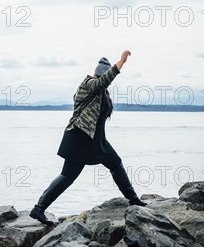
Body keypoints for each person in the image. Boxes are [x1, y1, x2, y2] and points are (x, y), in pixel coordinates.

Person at [29, 50, 147, 226]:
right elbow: (102, 82)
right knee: (68, 175)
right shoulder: (89, 84)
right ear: (99, 74)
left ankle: (133, 199)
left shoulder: (103, 93)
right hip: (81, 137)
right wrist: (120, 63)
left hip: (97, 140)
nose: (104, 78)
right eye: (103, 75)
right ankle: (39, 208)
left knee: (116, 163)